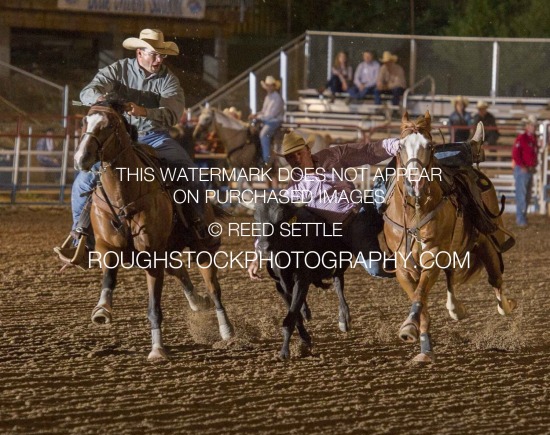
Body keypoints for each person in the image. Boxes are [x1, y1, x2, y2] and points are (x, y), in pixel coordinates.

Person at [55, 28, 211, 265]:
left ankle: (198, 226)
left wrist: (144, 111)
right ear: (140, 53)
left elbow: (172, 114)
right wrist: (100, 100)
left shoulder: (169, 80)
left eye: (162, 56)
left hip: (153, 136)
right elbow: (88, 90)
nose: (159, 60)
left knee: (187, 171)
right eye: (154, 55)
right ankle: (81, 239)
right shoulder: (117, 69)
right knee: (82, 182)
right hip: (118, 139)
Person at [248, 130, 400, 280]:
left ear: (308, 150)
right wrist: (257, 257)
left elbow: (368, 151)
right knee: (376, 268)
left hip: (367, 207)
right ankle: (407, 271)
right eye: (290, 157)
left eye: (299, 153)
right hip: (349, 228)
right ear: (287, 160)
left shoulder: (332, 155)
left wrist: (397, 145)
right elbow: (271, 223)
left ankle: (410, 147)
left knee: (394, 170)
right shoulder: (292, 191)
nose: (296, 159)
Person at [249, 75, 285, 165]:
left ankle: (266, 159)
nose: (268, 87)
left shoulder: (277, 98)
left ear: (273, 86)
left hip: (275, 121)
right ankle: (259, 156)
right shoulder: (268, 97)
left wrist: (257, 117)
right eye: (267, 85)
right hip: (267, 120)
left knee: (263, 134)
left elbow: (271, 115)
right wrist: (257, 114)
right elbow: (264, 111)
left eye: (270, 85)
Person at [512, 115, 539, 227]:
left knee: (526, 195)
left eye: (534, 125)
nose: (533, 127)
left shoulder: (532, 139)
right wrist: (522, 165)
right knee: (522, 195)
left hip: (528, 169)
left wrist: (533, 164)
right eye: (531, 125)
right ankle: (520, 218)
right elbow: (515, 153)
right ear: (527, 126)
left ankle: (522, 218)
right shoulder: (522, 137)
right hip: (522, 169)